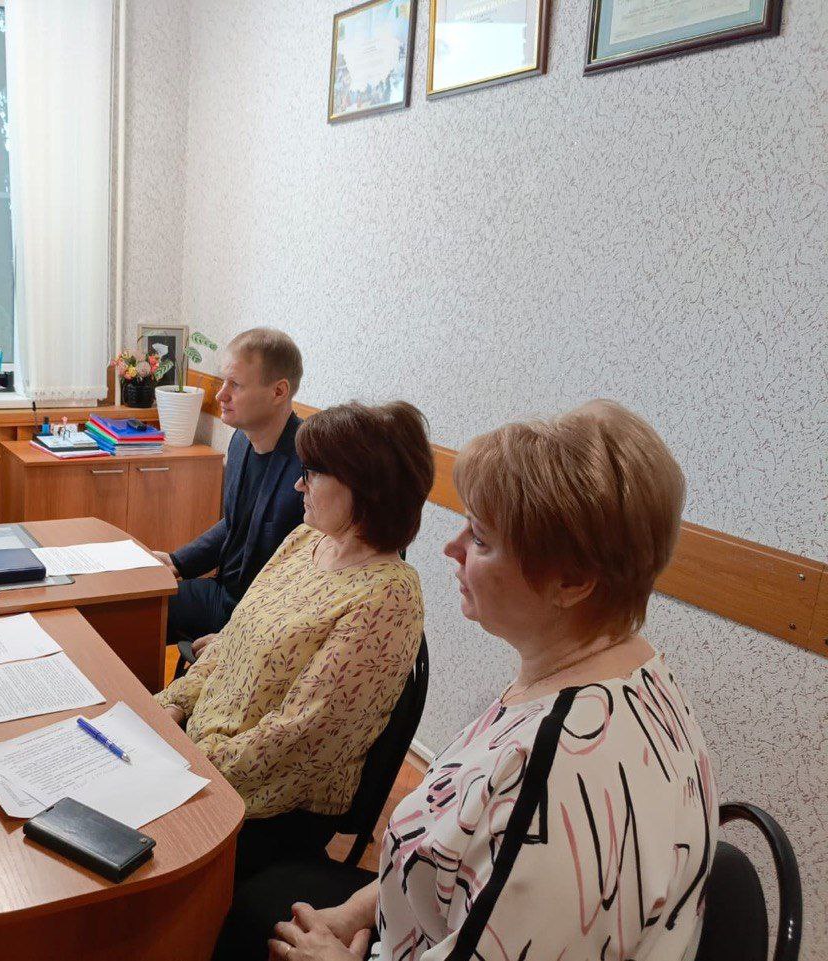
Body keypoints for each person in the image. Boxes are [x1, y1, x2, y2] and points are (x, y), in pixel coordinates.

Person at [257, 401, 717, 961]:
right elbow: (454, 842)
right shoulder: (625, 671)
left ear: (572, 580)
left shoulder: (558, 779)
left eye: (479, 538)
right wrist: (357, 909)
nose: (451, 548)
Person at [155, 401, 434, 882]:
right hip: (203, 754)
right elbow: (233, 641)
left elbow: (300, 739)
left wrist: (191, 763)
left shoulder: (388, 597)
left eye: (312, 474)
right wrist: (171, 706)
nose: (298, 485)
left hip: (270, 804)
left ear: (365, 488)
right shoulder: (305, 541)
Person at [153, 328, 307, 654]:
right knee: (136, 607)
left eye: (234, 385)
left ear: (279, 391)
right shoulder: (240, 441)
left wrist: (241, 637)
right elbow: (236, 524)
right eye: (224, 382)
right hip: (224, 595)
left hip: (265, 620)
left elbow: (308, 578)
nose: (221, 395)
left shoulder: (310, 466)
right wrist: (177, 561)